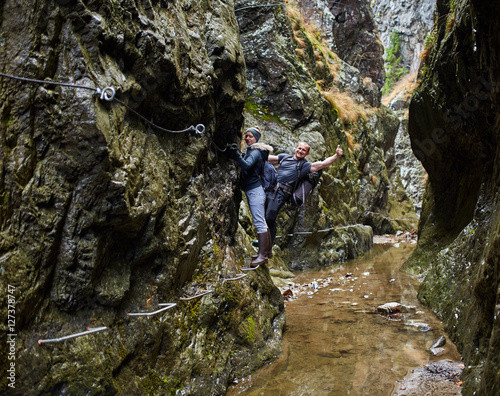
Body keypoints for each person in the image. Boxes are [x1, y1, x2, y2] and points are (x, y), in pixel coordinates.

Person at [266, 142, 343, 243]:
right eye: (299, 148)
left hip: (282, 193)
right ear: (296, 148)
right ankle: (264, 242)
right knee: (263, 218)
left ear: (307, 153)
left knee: (269, 218)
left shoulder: (305, 166)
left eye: (304, 150)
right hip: (271, 190)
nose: (300, 151)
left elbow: (323, 164)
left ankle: (266, 247)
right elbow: (267, 158)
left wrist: (336, 155)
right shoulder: (284, 157)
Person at [231, 127, 274, 267]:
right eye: (246, 136)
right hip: (255, 190)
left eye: (250, 136)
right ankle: (266, 253)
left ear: (256, 138)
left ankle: (262, 256)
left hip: (255, 191)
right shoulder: (255, 151)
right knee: (262, 222)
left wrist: (235, 154)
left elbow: (246, 166)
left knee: (259, 223)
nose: (247, 138)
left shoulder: (255, 152)